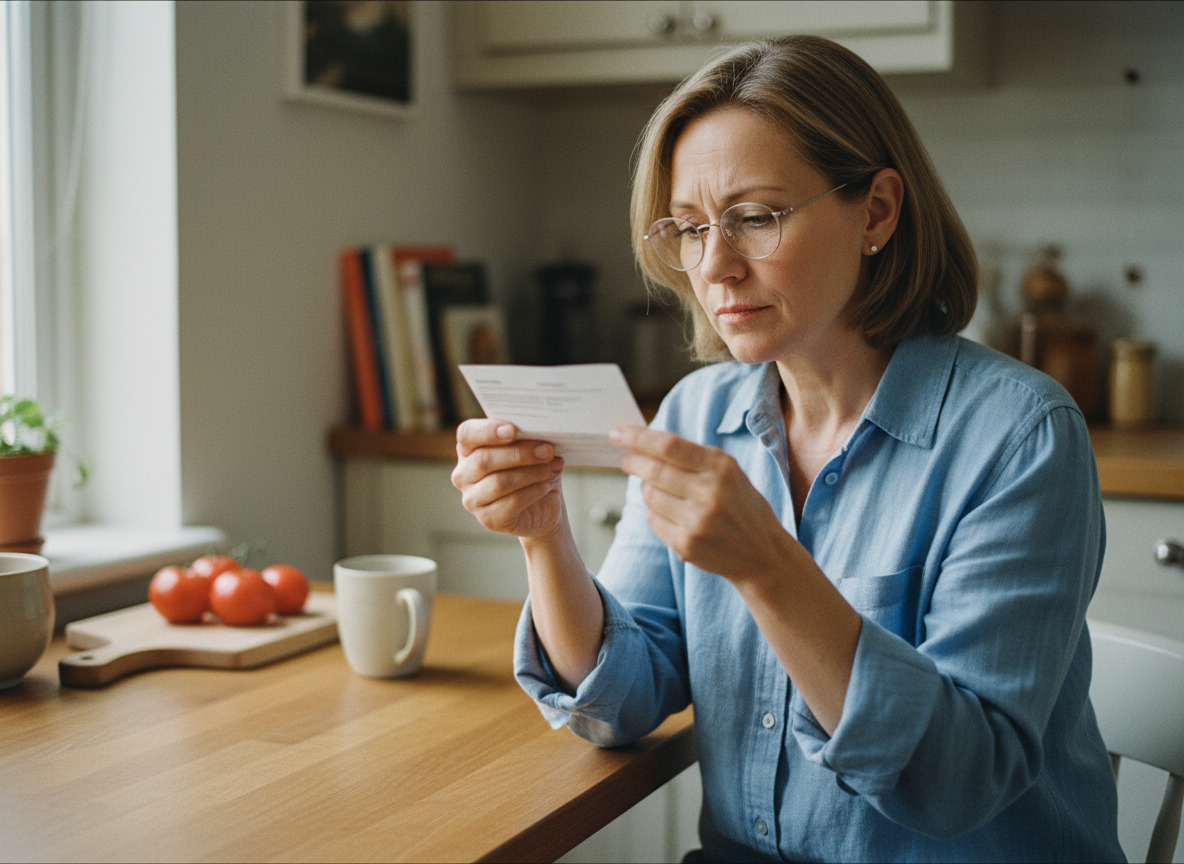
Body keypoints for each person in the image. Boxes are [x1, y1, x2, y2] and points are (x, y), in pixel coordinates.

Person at [451, 35, 1124, 862]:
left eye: (755, 218)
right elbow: (622, 700)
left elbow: (960, 782)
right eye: (690, 228)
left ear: (876, 211)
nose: (716, 266)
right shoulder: (696, 414)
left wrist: (768, 566)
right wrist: (542, 533)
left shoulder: (1018, 437)